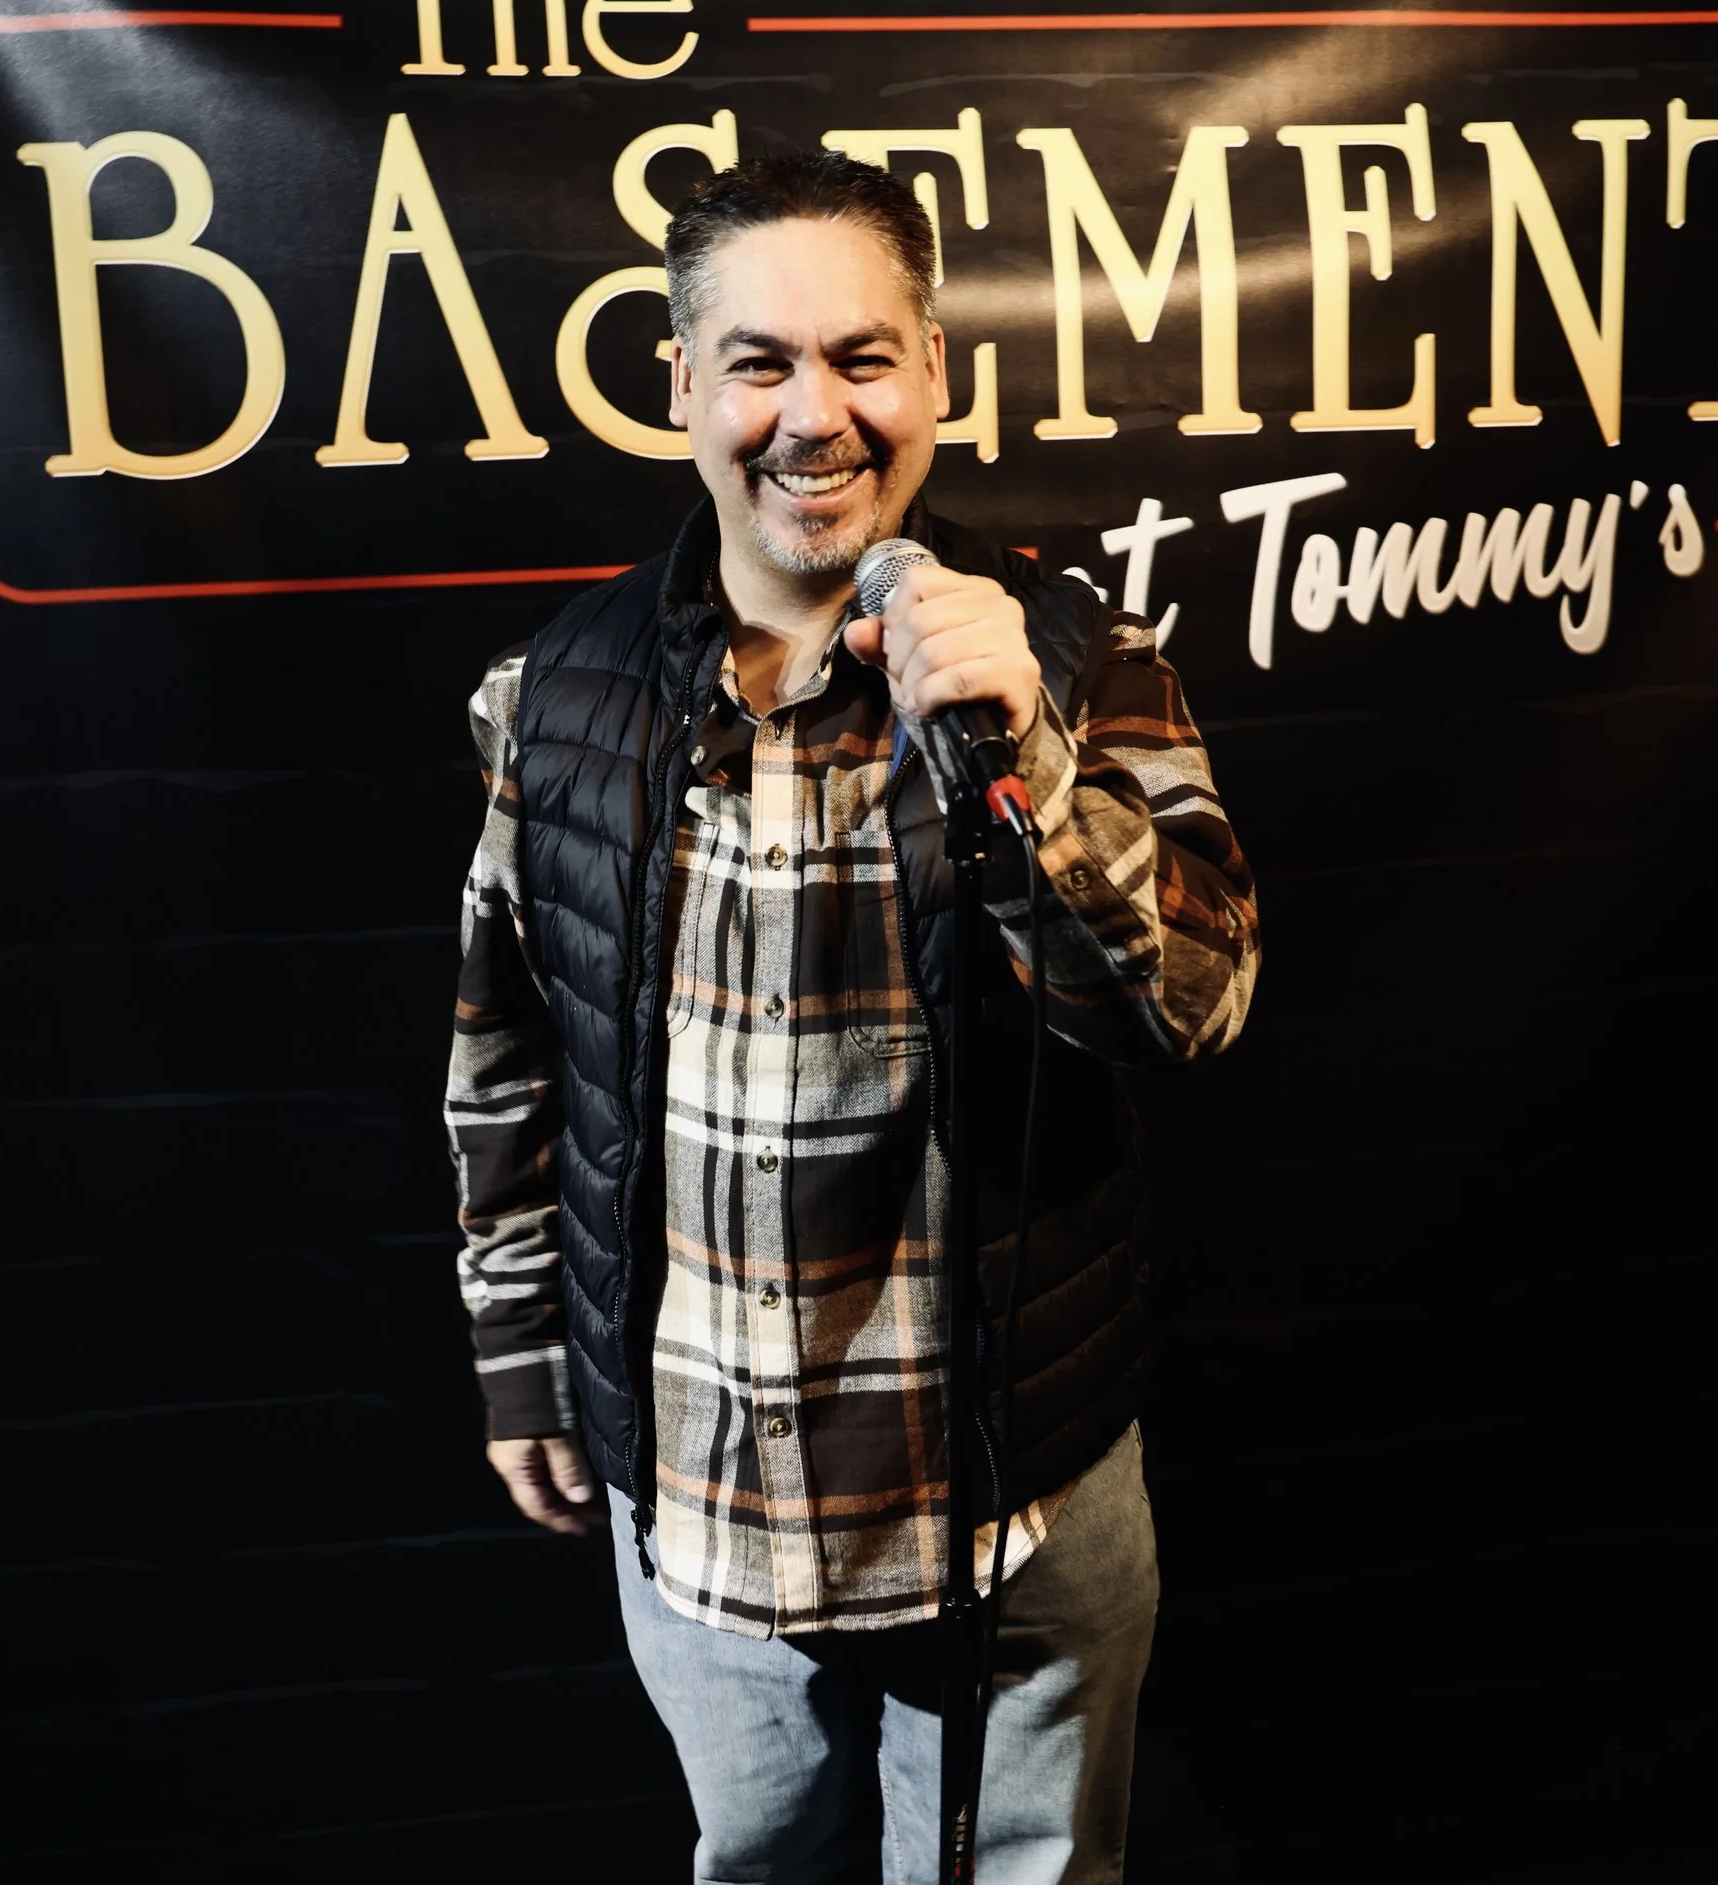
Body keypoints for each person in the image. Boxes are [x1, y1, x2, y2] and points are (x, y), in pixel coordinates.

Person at [445, 149, 1257, 1884]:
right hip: (697, 1493)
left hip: (1015, 1498)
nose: (815, 415)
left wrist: (1034, 763)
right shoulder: (551, 695)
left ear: (935, 371)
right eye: (760, 362)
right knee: (763, 1864)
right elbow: (504, 1058)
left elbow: (1197, 1008)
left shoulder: (1080, 660)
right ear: (683, 384)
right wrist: (521, 1355)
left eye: (862, 357)